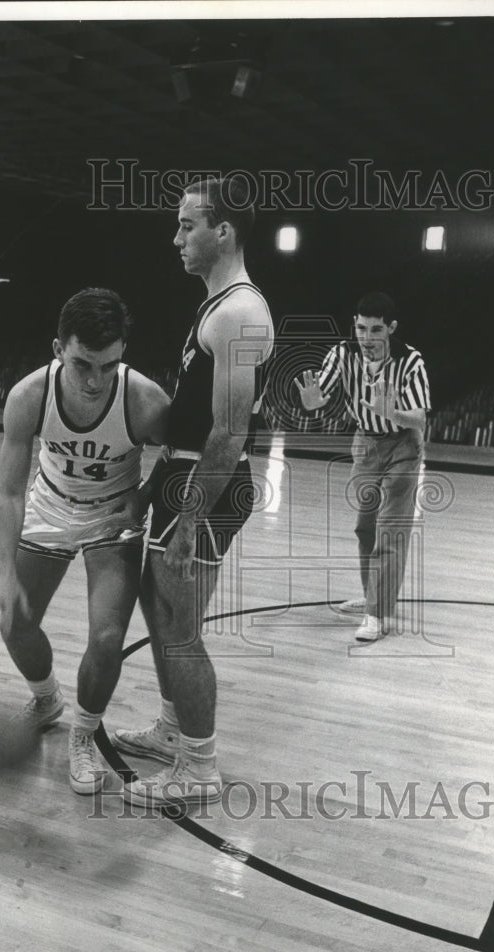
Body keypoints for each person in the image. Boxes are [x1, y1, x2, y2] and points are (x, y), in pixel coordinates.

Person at [111, 177, 274, 807]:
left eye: (187, 225)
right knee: (161, 617)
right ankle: (172, 730)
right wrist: (156, 486)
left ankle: (200, 770)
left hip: (206, 489)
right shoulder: (218, 304)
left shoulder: (239, 311)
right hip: (183, 478)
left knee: (180, 631)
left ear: (223, 230)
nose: (176, 237)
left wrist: (186, 518)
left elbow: (230, 431)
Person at [0, 287, 170, 794]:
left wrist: (144, 498)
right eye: (83, 364)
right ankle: (45, 698)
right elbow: (9, 492)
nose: (95, 380)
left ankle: (84, 734)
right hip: (50, 505)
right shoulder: (28, 396)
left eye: (108, 366)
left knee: (106, 640)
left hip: (112, 516)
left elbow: (181, 456)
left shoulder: (145, 400)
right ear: (58, 348)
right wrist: (1, 570)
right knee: (15, 620)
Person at [294, 292, 431, 642]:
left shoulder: (411, 360)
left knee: (390, 531)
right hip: (366, 444)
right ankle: (373, 595)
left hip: (404, 445)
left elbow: (418, 416)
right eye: (361, 329)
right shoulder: (343, 353)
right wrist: (310, 402)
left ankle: (377, 614)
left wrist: (393, 413)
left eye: (375, 330)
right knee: (365, 527)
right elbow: (319, 391)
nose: (366, 338)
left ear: (391, 328)